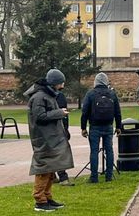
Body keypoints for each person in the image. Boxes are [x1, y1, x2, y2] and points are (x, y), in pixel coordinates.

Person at [25, 69, 73, 212]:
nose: (63, 85)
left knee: (51, 169)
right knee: (44, 169)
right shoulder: (39, 97)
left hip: (51, 138)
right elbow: (40, 116)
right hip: (43, 139)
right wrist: (60, 113)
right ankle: (40, 201)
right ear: (55, 82)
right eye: (61, 82)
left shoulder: (48, 95)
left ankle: (47, 197)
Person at [81, 73, 122, 183]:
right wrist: (118, 127)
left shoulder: (91, 94)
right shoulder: (112, 94)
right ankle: (109, 176)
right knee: (109, 151)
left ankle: (94, 177)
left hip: (94, 126)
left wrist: (83, 128)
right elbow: (118, 112)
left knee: (94, 151)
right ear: (106, 81)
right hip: (108, 125)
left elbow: (84, 112)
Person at [54, 90, 74, 186]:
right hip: (58, 130)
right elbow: (63, 114)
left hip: (49, 130)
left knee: (52, 153)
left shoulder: (44, 96)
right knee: (60, 153)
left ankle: (52, 176)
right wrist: (66, 129)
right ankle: (63, 177)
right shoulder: (59, 95)